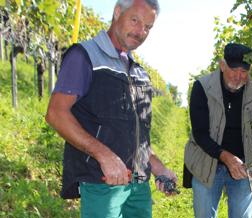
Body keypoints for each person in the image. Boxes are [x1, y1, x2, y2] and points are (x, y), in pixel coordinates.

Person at [45, 0, 177, 217]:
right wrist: (104, 156)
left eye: (148, 27)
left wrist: (158, 167)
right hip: (102, 184)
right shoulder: (84, 56)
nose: (141, 31)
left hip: (139, 188)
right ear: (117, 12)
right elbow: (56, 114)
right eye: (135, 20)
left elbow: (136, 136)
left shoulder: (139, 73)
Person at [183, 43, 252, 218]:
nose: (239, 76)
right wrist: (227, 158)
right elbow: (200, 134)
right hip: (206, 163)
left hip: (244, 166)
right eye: (234, 69)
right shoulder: (202, 87)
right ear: (222, 65)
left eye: (244, 72)